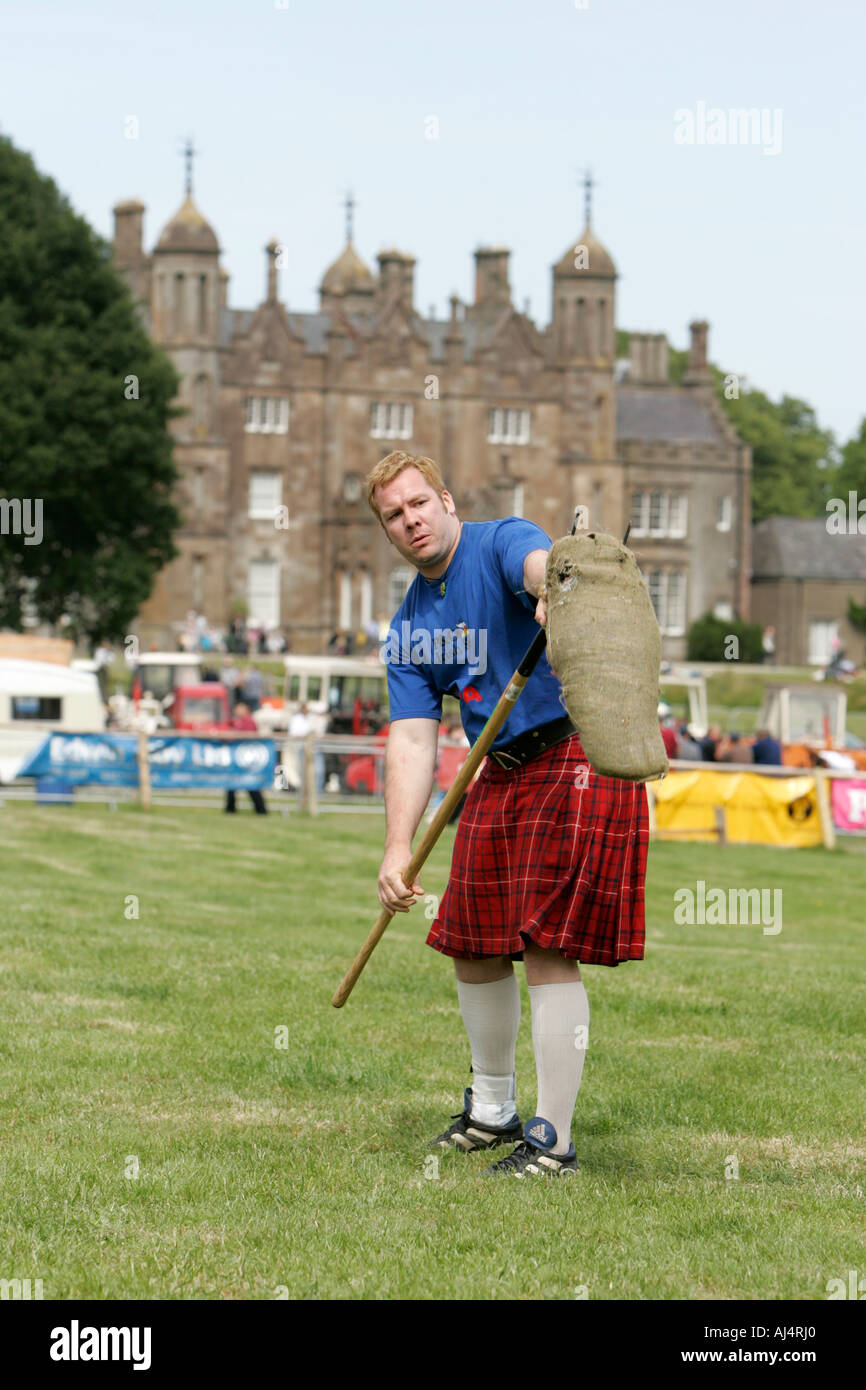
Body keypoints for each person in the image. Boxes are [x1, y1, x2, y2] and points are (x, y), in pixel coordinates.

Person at [369, 450, 649, 1179]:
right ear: (388, 532)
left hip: (575, 749)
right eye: (395, 515)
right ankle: (493, 1110)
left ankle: (553, 1138)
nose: (411, 521)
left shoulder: (498, 543)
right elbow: (410, 736)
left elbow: (539, 563)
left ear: (447, 500)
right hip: (501, 766)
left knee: (547, 941)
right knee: (472, 940)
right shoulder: (409, 628)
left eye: (418, 503)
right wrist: (397, 847)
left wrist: (559, 587)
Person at [224, 702, 267, 814]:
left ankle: (260, 808)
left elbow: (247, 737)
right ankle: (230, 808)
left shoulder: (249, 722)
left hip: (246, 757)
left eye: (239, 708)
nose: (237, 710)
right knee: (233, 783)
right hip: (238, 756)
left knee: (250, 783)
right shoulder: (237, 721)